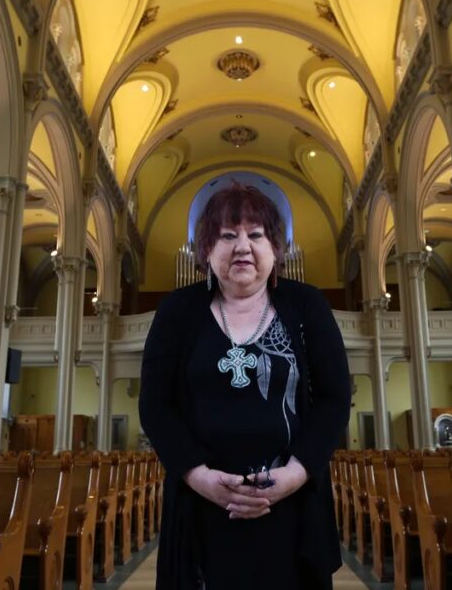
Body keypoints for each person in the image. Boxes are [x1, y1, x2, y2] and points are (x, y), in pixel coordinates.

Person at [139, 182, 351, 589]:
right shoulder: (177, 312)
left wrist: (294, 474)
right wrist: (199, 476)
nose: (242, 246)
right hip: (200, 506)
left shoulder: (306, 306)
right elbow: (155, 406)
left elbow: (334, 398)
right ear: (206, 250)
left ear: (276, 248)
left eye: (256, 235)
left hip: (291, 505)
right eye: (227, 235)